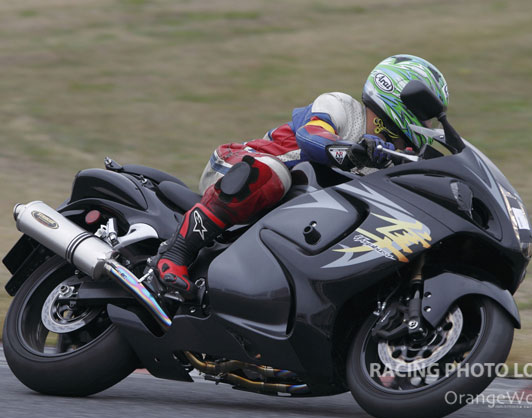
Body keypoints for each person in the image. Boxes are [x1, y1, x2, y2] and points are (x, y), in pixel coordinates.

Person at [154, 54, 449, 298]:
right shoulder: (342, 107)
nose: (428, 125)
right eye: (425, 116)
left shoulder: (397, 161)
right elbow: (311, 136)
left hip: (292, 218)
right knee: (274, 175)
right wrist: (350, 151)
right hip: (238, 168)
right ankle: (176, 253)